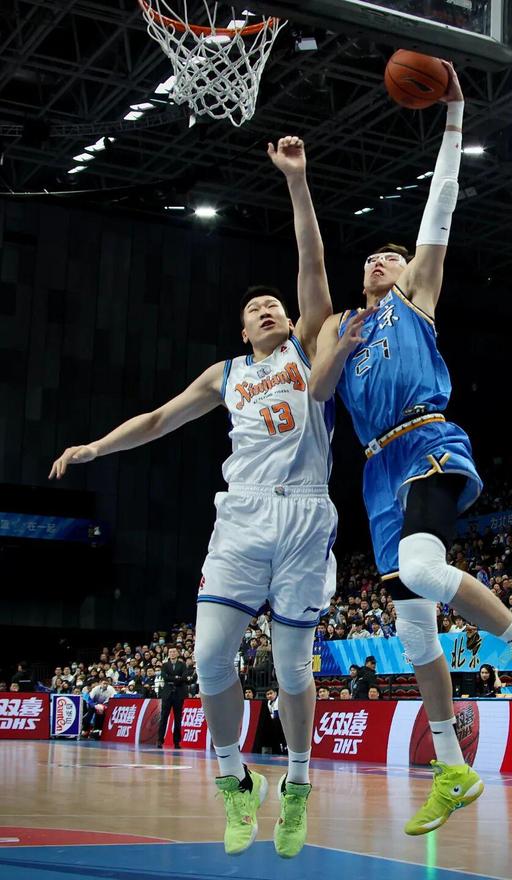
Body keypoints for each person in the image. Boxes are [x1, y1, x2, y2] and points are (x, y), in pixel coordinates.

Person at [308, 62, 512, 837]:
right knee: (412, 631)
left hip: (427, 438)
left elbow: (443, 201)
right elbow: (318, 396)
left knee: (427, 570)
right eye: (371, 259)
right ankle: (453, 767)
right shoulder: (343, 329)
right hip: (376, 472)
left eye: (390, 258)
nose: (379, 262)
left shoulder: (415, 297)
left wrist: (455, 115)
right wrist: (338, 345)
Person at [48, 136, 335, 860]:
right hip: (242, 515)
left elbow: (310, 266)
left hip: (305, 511)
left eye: (275, 305)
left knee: (293, 667)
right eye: (256, 308)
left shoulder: (308, 349)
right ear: (241, 329)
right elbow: (157, 419)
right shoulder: (226, 374)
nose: (268, 308)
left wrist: (297, 183)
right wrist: (95, 447)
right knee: (210, 657)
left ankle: (298, 785)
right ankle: (235, 781)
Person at [157, 646, 188, 749]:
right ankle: (160, 740)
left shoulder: (182, 665)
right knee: (164, 717)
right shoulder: (165, 665)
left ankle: (177, 742)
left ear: (177, 653)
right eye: (170, 652)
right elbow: (164, 677)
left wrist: (173, 679)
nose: (172, 653)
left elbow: (184, 677)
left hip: (179, 694)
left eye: (174, 652)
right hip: (167, 694)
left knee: (178, 718)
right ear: (168, 654)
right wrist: (176, 678)